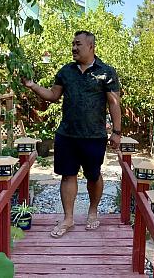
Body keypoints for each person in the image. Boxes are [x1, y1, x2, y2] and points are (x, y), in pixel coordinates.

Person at [22, 30, 122, 238]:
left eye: (78, 44)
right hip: (67, 134)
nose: (74, 48)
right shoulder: (65, 71)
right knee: (67, 176)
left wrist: (117, 132)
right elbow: (53, 96)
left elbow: (114, 103)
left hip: (94, 135)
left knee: (93, 175)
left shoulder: (106, 72)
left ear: (91, 46)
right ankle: (68, 218)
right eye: (73, 44)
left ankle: (92, 212)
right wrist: (32, 86)